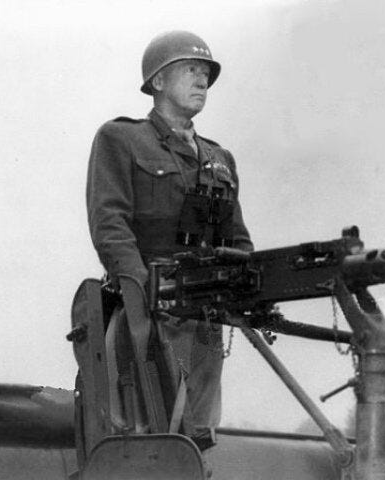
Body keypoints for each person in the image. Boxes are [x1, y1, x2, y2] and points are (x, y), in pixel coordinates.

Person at [86, 30, 253, 442]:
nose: (202, 80)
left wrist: (246, 285)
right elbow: (110, 223)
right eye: (191, 70)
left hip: (205, 322)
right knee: (140, 434)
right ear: (158, 81)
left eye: (205, 73)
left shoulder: (219, 158)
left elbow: (238, 238)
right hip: (145, 315)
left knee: (199, 436)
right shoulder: (122, 139)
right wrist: (142, 292)